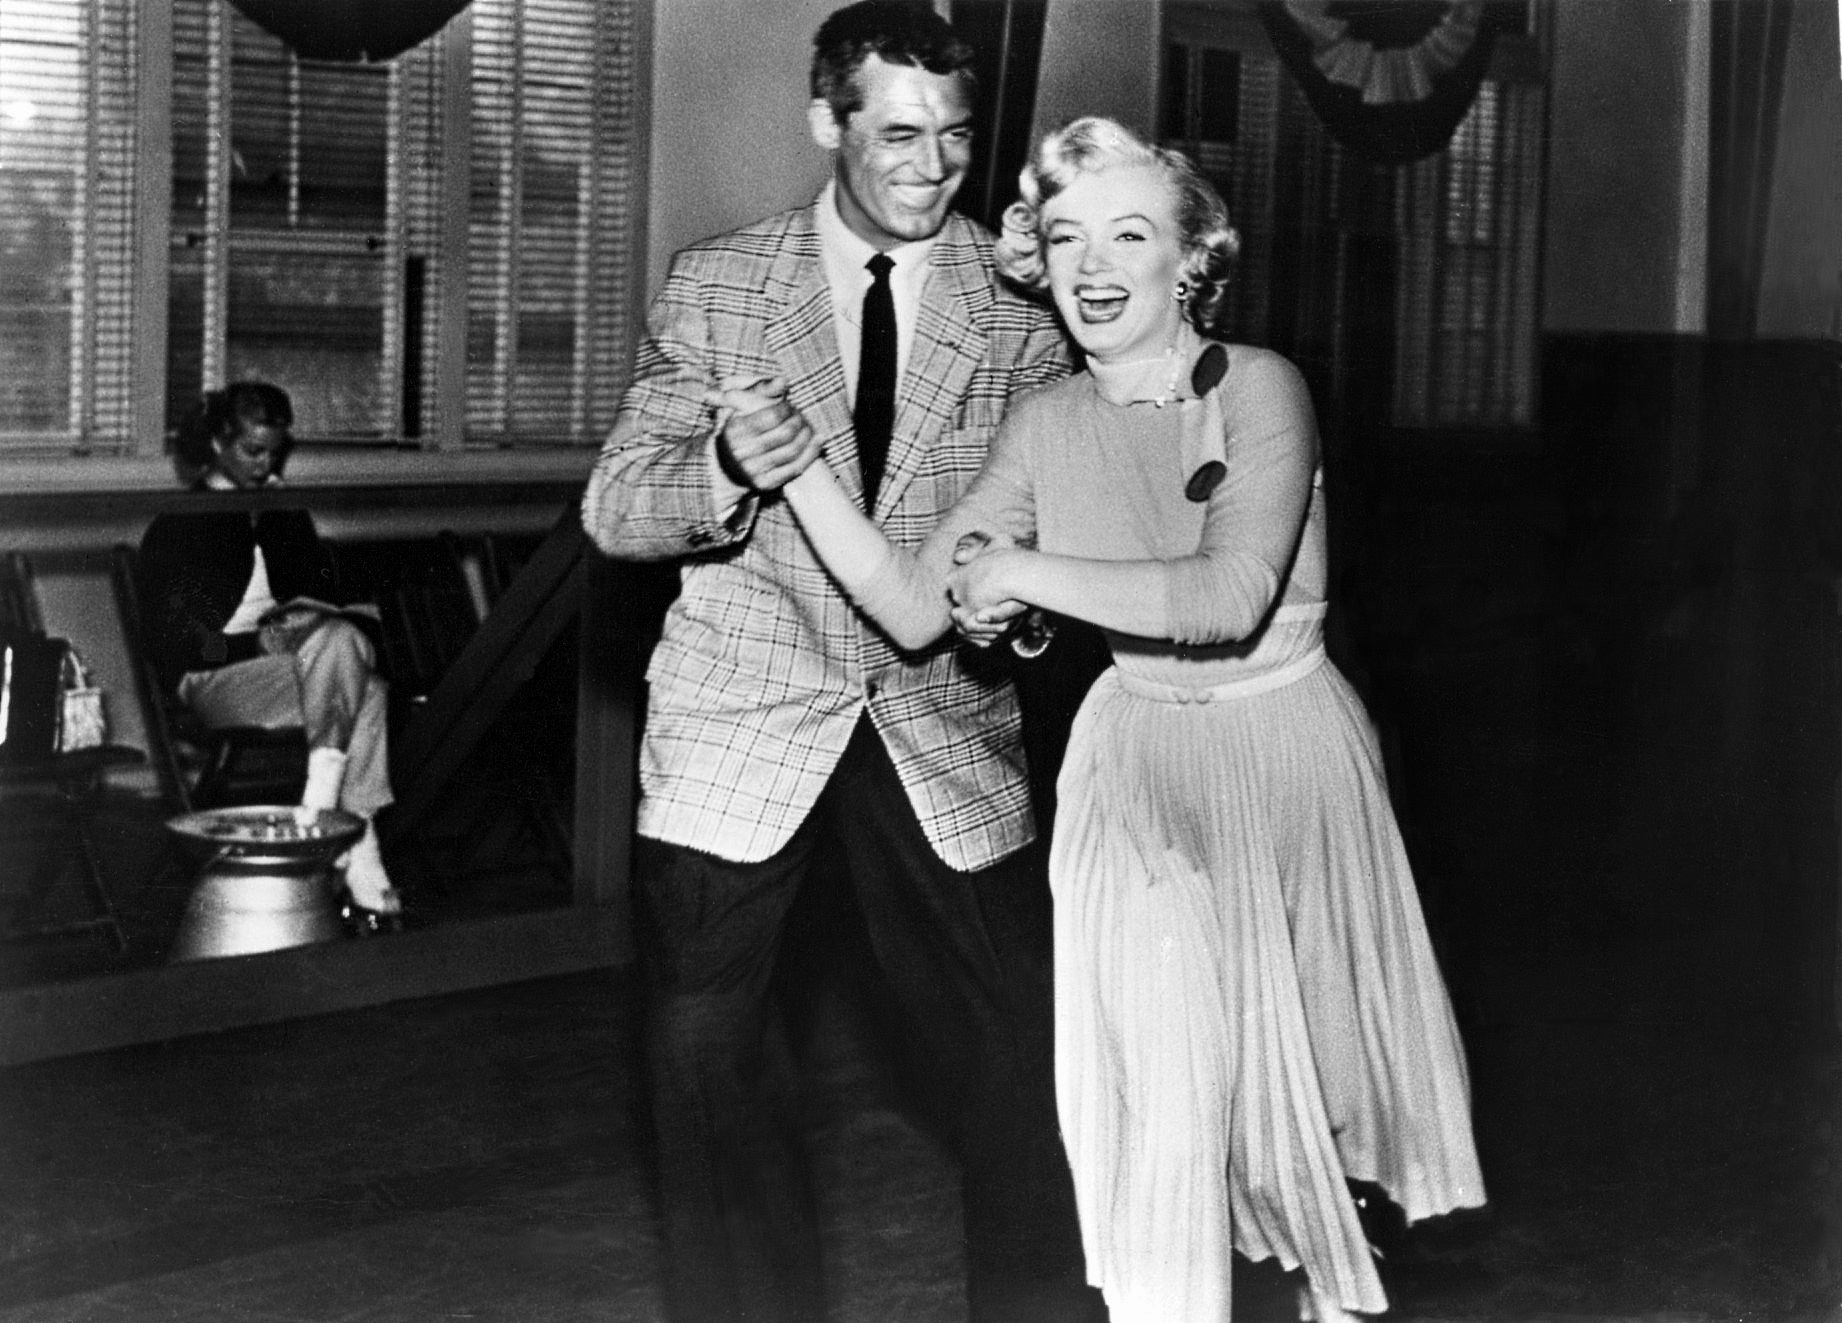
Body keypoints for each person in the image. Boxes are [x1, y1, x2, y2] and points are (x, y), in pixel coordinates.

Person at [761, 116, 1488, 1322]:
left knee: (1303, 1120)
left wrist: (1023, 570)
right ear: (1036, 260)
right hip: (1133, 763)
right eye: (1065, 238)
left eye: (1130, 236)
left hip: (1286, 756)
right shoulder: (1045, 422)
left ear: (1191, 259)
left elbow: (1224, 598)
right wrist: (796, 473)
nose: (1093, 267)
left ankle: (1331, 1295)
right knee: (1158, 1102)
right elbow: (912, 604)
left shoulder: (1261, 388)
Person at [579, 4, 1100, 1321]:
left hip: (941, 722)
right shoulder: (718, 284)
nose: (932, 167)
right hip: (742, 714)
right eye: (898, 135)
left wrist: (1023, 611)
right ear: (827, 121)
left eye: (955, 137)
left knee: (1026, 1059)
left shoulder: (1021, 300)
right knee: (705, 1064)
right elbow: (617, 510)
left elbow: (1070, 521)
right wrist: (721, 467)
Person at [139, 381, 403, 932]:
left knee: (341, 641)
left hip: (297, 665)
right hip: (215, 673)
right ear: (217, 443)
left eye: (274, 453)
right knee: (367, 691)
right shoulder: (178, 524)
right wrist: (249, 643)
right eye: (252, 451)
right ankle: (353, 845)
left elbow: (320, 596)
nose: (264, 465)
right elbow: (177, 643)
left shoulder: (284, 511)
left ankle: (323, 810)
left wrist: (299, 604)